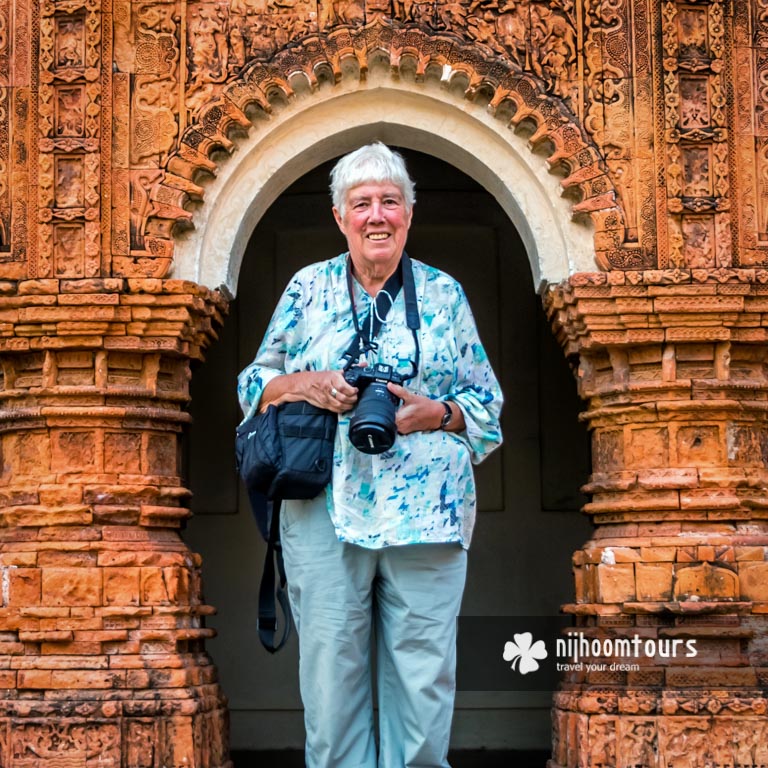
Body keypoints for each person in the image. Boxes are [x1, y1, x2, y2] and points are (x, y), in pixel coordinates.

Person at [237, 142, 503, 768]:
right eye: (362, 204)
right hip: (324, 515)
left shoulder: (442, 294)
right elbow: (252, 383)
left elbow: (487, 404)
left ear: (409, 214)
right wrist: (306, 384)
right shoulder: (308, 288)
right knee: (331, 696)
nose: (376, 216)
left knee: (424, 687)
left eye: (390, 201)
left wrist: (433, 413)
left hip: (427, 523)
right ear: (340, 217)